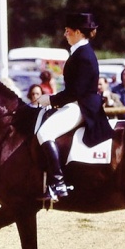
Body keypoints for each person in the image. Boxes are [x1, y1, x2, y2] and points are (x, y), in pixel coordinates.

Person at [36, 12, 113, 201]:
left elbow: (76, 91)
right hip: (77, 102)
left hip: (82, 106)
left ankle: (58, 183)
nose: (65, 34)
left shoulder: (84, 55)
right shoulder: (79, 51)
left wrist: (51, 100)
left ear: (78, 32)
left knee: (44, 133)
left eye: (67, 31)